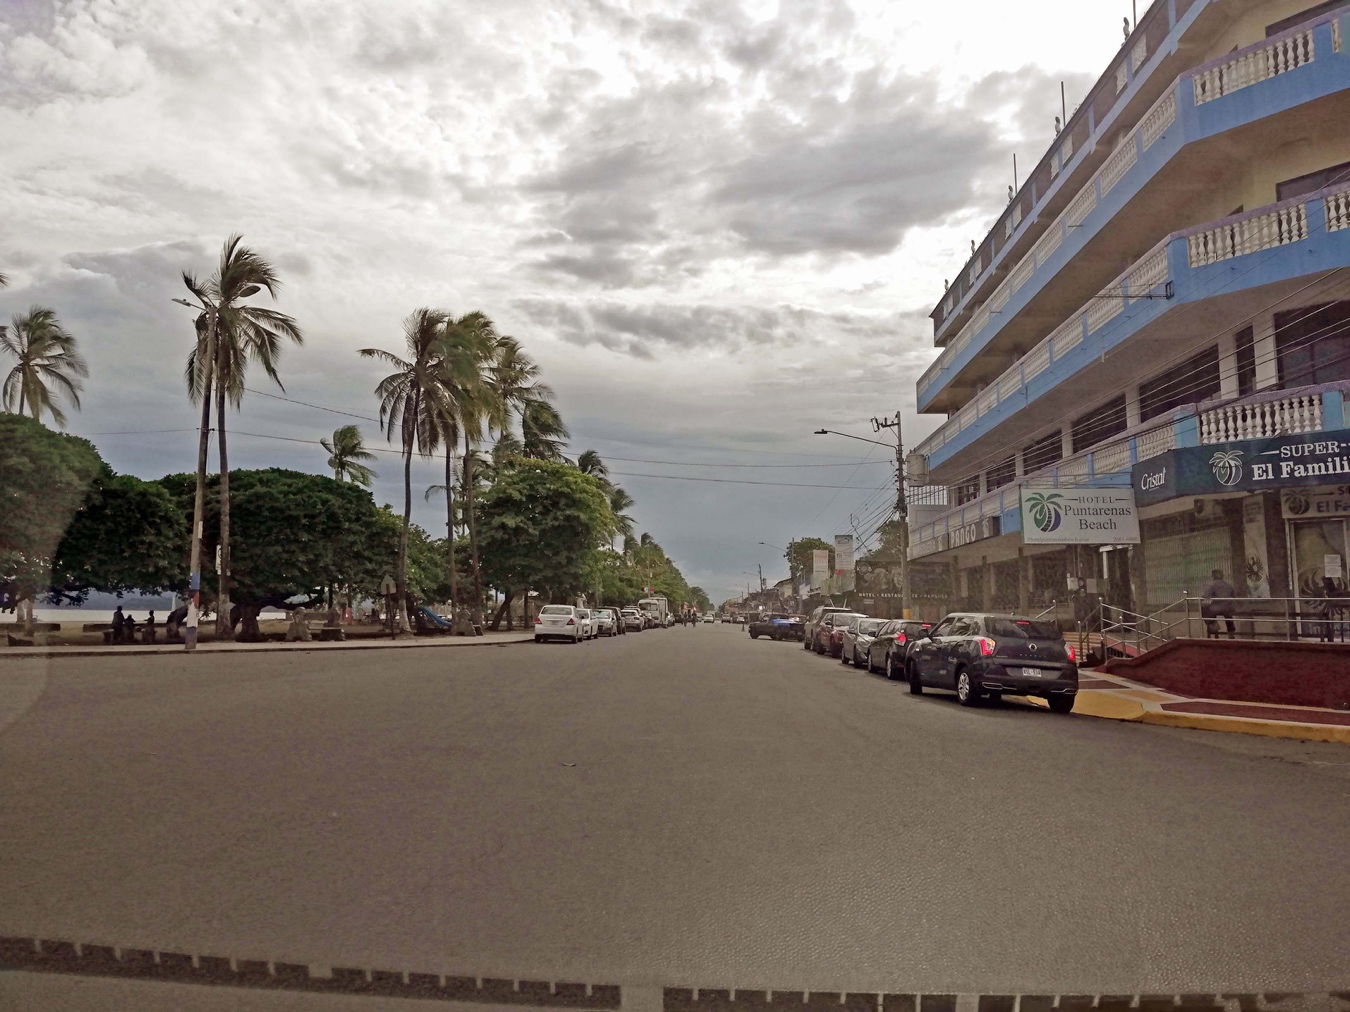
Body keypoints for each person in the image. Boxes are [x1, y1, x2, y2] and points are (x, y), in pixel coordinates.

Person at [1200, 569, 1236, 639]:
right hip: (1228, 607)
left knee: (1205, 609)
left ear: (1213, 576)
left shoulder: (1212, 585)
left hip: (1217, 607)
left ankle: (1213, 624)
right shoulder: (1228, 585)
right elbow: (1233, 596)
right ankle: (1231, 632)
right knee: (1228, 616)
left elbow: (1205, 596)